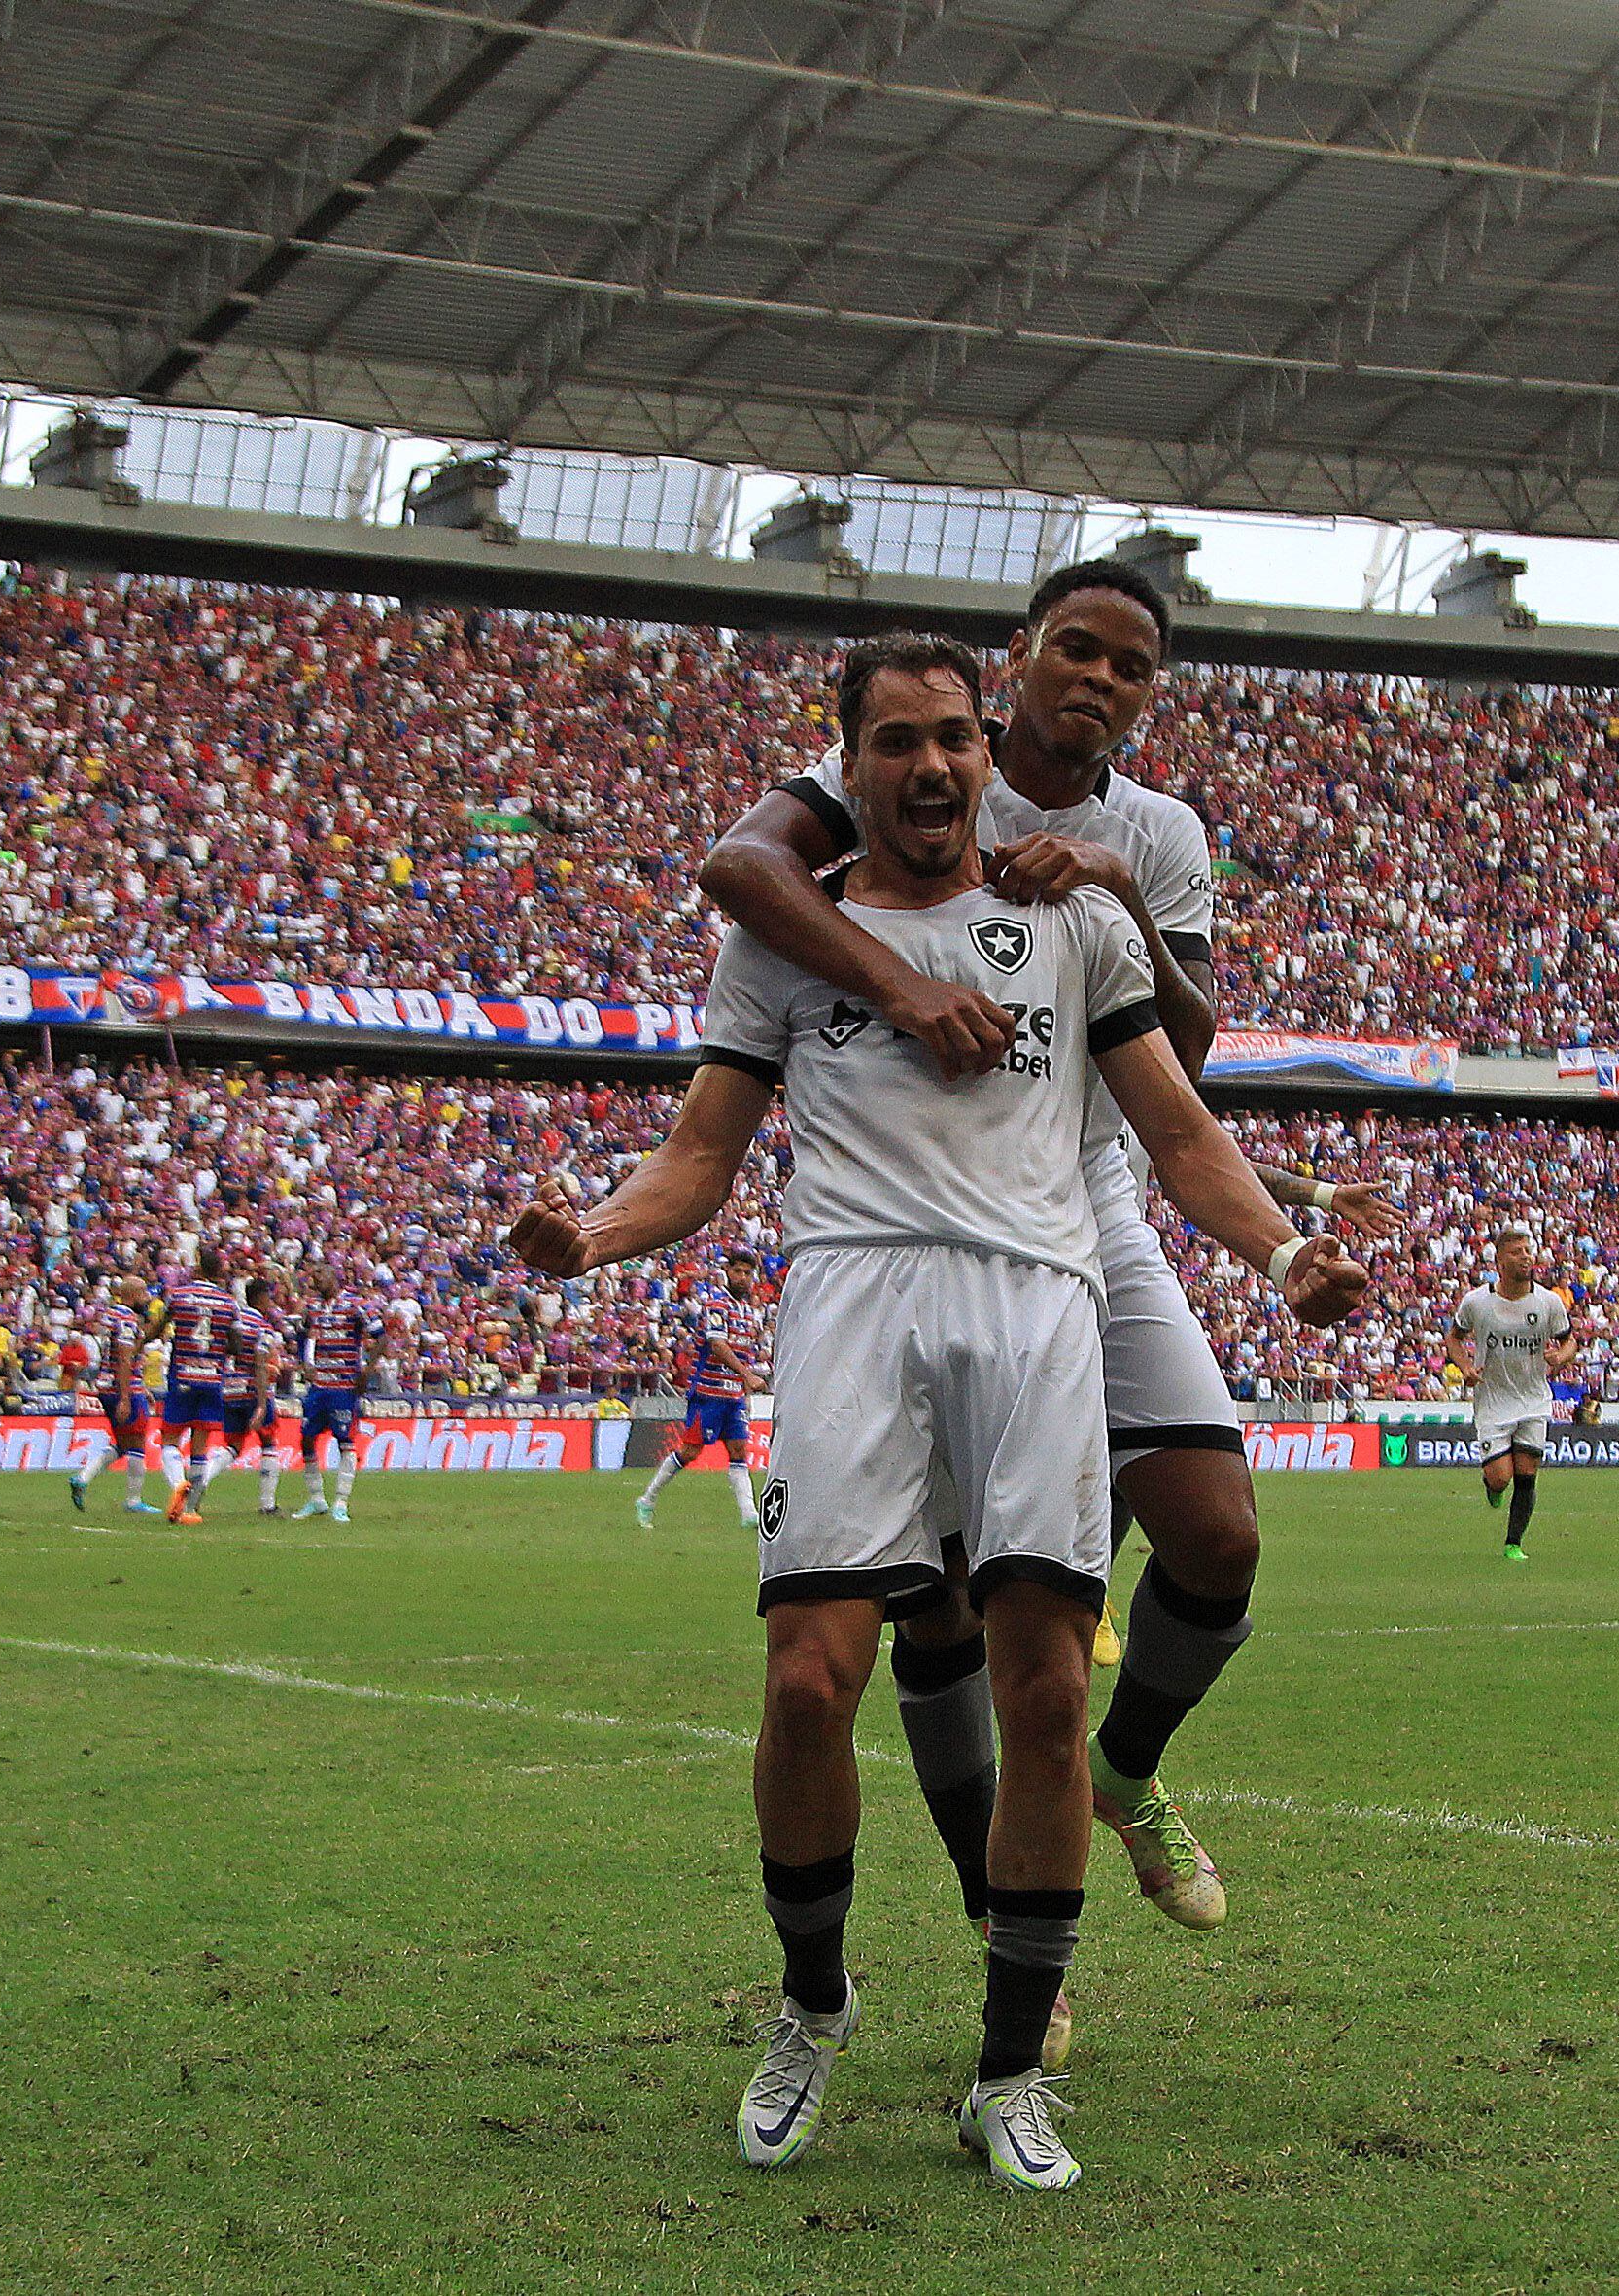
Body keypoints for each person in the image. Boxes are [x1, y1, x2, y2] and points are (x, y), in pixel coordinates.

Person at [508, 632, 1365, 2192]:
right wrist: (600, 1230)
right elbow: (699, 1153)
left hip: (1037, 1305)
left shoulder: (1070, 923)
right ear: (845, 768)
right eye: (892, 741)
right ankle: (810, 2007)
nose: (927, 766)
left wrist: (1281, 1247)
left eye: (952, 739)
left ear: (987, 752)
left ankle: (1001, 2074)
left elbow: (1174, 1131)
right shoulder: (792, 940)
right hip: (850, 1300)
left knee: (1044, 1692)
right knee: (800, 1684)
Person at [701, 558, 1404, 1937]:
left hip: (1091, 1199)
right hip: (924, 1222)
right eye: (1073, 648)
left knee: (1212, 1530)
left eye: (1128, 666)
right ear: (1018, 656)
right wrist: (899, 987)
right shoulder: (916, 753)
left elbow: (1181, 1056)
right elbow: (739, 869)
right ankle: (1000, 1915)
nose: (1094, 678)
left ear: (1149, 695)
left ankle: (1122, 1773)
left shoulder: (1158, 829)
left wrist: (1111, 888)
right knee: (944, 1609)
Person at [1447, 1228, 1576, 1561]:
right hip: (1493, 1401)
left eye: (1527, 1250)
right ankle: (1492, 1487)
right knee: (1501, 1478)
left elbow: (1569, 1342)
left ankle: (1513, 1543)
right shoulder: (1477, 1301)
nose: (1525, 1256)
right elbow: (1454, 1339)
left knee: (1527, 1473)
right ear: (1500, 1261)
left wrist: (1561, 1357)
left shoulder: (1548, 1302)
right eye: (1517, 1252)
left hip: (1534, 1399)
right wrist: (1465, 1367)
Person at [634, 1249, 768, 1531]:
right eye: (737, 1272)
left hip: (733, 1396)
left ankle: (749, 1514)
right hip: (708, 1394)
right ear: (727, 1272)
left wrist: (745, 1390)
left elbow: (744, 1353)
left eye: (747, 1273)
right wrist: (748, 1375)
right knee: (690, 1452)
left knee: (739, 1450)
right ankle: (647, 1499)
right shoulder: (717, 1305)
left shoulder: (749, 1311)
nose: (743, 1278)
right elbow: (718, 1346)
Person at [159, 1248, 249, 1525]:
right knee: (200, 1446)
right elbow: (236, 1345)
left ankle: (178, 1484)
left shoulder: (179, 1295)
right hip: (211, 1378)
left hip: (183, 1375)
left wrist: (142, 1344)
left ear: (199, 1268)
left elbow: (159, 1326)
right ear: (219, 1272)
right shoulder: (229, 1302)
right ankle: (191, 1510)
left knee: (170, 1439)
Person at [68, 1272, 164, 1514]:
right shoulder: (126, 1320)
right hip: (122, 1389)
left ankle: (83, 1477)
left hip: (110, 1386)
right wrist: (126, 1395)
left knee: (122, 1443)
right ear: (132, 1295)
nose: (147, 1298)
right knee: (137, 1442)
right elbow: (123, 1358)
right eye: (143, 1293)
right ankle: (133, 1500)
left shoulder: (111, 1315)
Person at [291, 1272, 379, 1522]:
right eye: (317, 1279)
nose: (319, 1282)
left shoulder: (355, 1306)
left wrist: (366, 1371)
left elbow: (381, 1337)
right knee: (306, 1439)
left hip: (344, 1385)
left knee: (346, 1442)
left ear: (336, 1280)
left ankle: (340, 1502)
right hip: (319, 1387)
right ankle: (317, 1499)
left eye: (324, 1278)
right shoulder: (313, 1308)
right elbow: (304, 1337)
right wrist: (306, 1362)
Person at [236, 1275, 293, 1515]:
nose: (272, 1301)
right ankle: (267, 1504)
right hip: (256, 1389)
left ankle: (197, 1486)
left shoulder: (236, 1321)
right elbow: (260, 1363)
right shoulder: (263, 1327)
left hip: (230, 1388)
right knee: (269, 1442)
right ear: (261, 1298)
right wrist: (261, 1402)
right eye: (269, 1296)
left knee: (231, 1446)